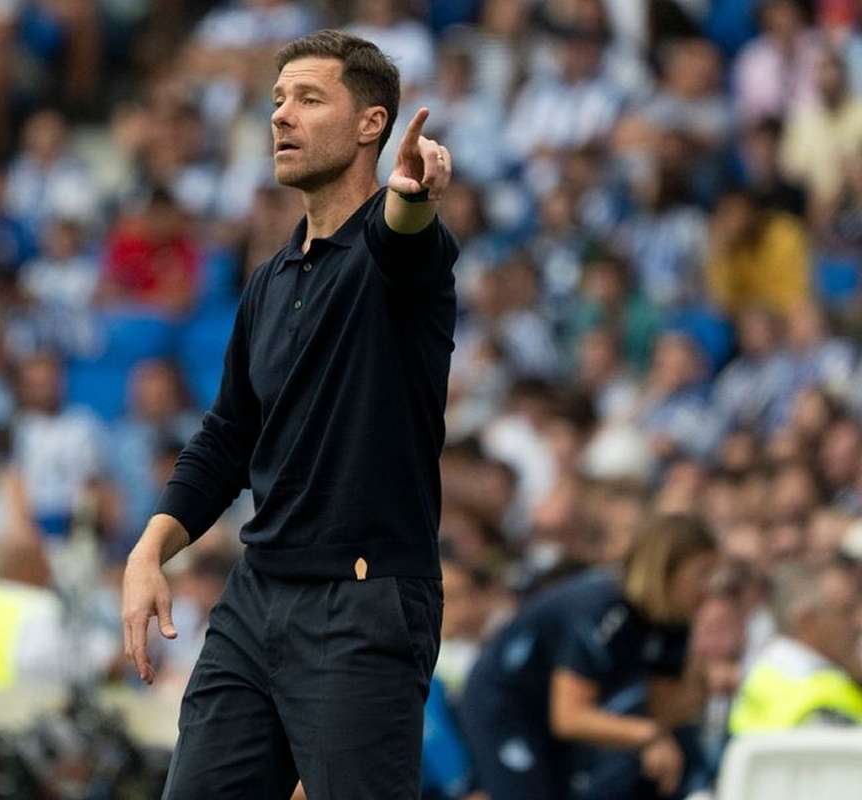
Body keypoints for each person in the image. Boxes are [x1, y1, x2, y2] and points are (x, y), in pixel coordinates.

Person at [122, 29, 458, 799]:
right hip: (256, 597)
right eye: (277, 100)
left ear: (372, 123)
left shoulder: (397, 252)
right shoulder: (271, 279)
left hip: (362, 600)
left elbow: (403, 236)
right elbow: (228, 437)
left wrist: (412, 195)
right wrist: (149, 551)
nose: (281, 115)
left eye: (308, 98)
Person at [459, 515, 718, 800]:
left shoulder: (672, 621)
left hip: (553, 711)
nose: (708, 587)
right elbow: (569, 717)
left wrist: (697, 682)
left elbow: (662, 710)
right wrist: (650, 736)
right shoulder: (604, 609)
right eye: (702, 573)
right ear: (666, 569)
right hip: (507, 701)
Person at [729, 561, 862, 732]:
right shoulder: (822, 705)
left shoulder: (764, 671)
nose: (858, 622)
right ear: (807, 622)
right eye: (846, 611)